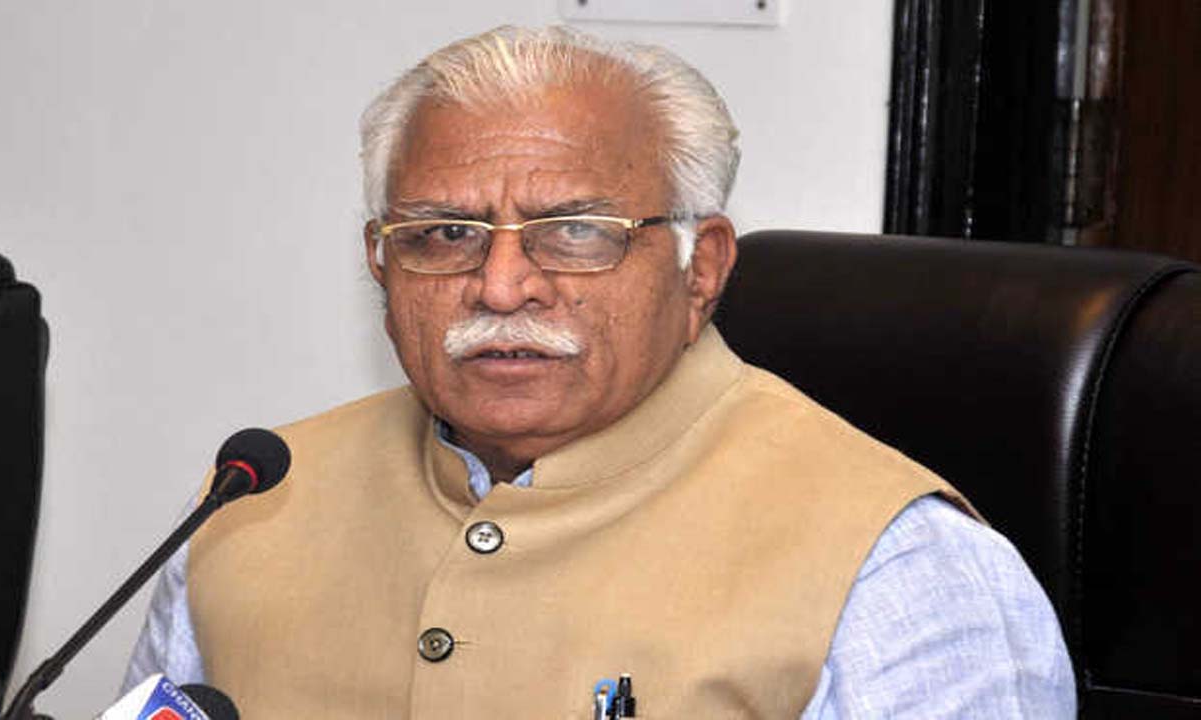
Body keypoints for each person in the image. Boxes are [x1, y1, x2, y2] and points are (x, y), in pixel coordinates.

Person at [125, 25, 1075, 718]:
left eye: (577, 232)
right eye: (444, 234)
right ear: (382, 264)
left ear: (701, 268)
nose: (502, 285)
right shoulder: (251, 502)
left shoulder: (901, 570)